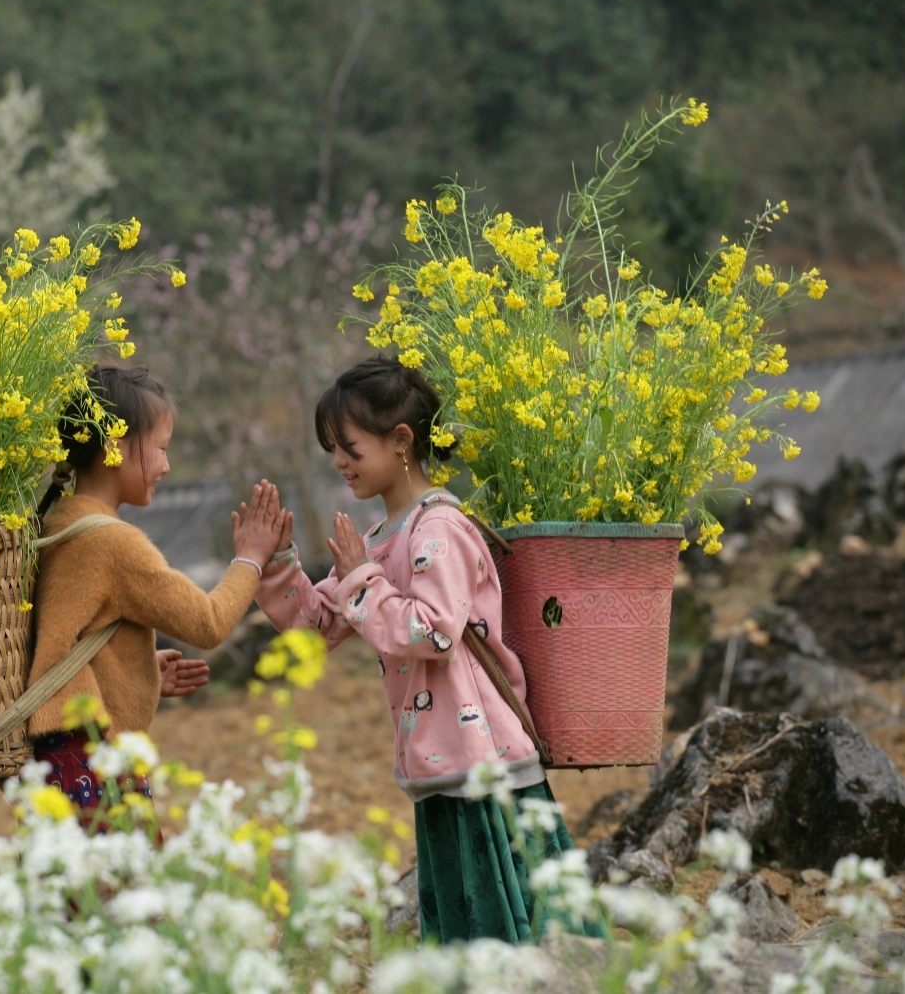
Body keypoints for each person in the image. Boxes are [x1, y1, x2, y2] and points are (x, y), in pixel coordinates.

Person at [255, 356, 597, 944]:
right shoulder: (377, 542)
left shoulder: (438, 528)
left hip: (483, 758)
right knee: (474, 927)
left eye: (350, 447)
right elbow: (319, 630)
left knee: (517, 930)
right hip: (438, 759)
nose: (339, 462)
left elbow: (433, 632)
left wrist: (361, 579)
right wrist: (278, 562)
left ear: (401, 440)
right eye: (331, 449)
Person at [29, 364, 286, 826]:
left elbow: (68, 640)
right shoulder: (113, 543)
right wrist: (250, 558)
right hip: (95, 758)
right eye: (161, 449)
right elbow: (208, 623)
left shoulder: (59, 522)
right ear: (114, 447)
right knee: (122, 873)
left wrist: (137, 672)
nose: (166, 467)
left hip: (58, 757)